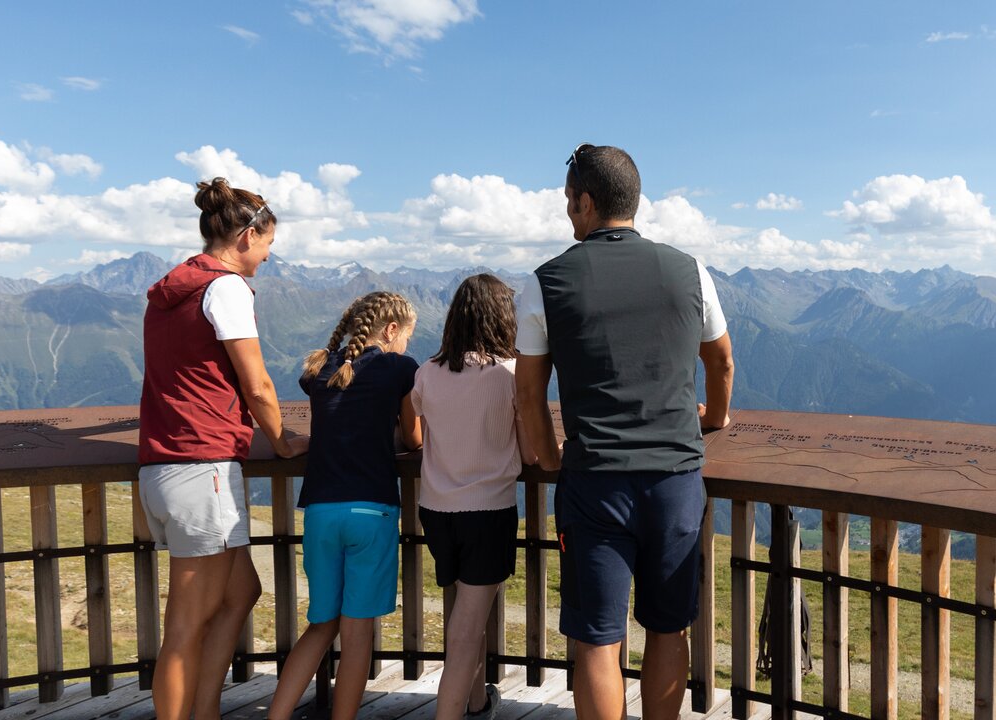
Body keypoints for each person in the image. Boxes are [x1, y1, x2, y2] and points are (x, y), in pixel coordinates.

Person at [515, 144, 736, 720]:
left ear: (586, 202)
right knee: (668, 628)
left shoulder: (546, 282)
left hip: (594, 482)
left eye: (568, 199)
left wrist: (549, 458)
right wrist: (712, 419)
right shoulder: (691, 271)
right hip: (675, 479)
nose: (567, 210)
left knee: (596, 638)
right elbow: (721, 363)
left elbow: (528, 392)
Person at [138, 177, 304, 720]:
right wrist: (281, 442)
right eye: (268, 243)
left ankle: (204, 709)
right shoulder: (225, 289)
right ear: (247, 236)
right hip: (201, 468)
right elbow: (257, 386)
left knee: (241, 592)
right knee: (185, 626)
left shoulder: (172, 290)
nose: (269, 255)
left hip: (165, 468)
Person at [266, 291, 422, 720]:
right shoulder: (399, 368)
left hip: (320, 510)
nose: (406, 345)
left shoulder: (322, 367)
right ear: (391, 330)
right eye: (406, 336)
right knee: (356, 637)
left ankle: (276, 715)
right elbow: (414, 438)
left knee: (321, 625)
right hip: (371, 510)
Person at [413, 274, 539, 720]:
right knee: (467, 627)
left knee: (469, 607)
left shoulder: (427, 372)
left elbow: (418, 429)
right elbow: (530, 453)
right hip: (488, 511)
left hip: (436, 509)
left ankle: (477, 701)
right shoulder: (510, 375)